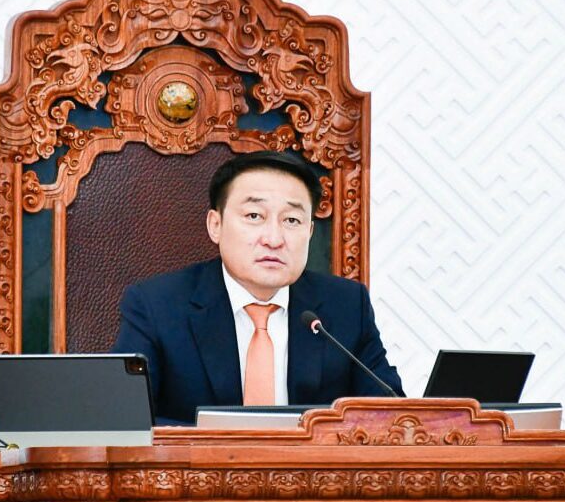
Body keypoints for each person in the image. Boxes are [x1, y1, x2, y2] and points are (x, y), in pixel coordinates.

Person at [112, 150, 404, 424]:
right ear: (216, 225)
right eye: (254, 216)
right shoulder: (156, 306)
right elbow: (124, 421)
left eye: (292, 220)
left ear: (310, 231)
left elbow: (389, 416)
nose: (274, 239)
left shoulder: (346, 305)